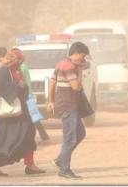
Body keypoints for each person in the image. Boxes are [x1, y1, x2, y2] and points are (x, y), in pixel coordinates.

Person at [0, 50, 42, 177]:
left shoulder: (16, 71)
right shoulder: (3, 71)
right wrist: (17, 84)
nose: (21, 62)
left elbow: (23, 88)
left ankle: (30, 164)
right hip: (8, 115)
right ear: (14, 60)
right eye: (20, 60)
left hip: (20, 112)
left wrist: (22, 86)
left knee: (29, 134)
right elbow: (2, 88)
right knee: (5, 140)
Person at [47, 42, 90, 179]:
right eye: (82, 56)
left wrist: (51, 101)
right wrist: (80, 71)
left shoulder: (61, 64)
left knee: (80, 133)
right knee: (70, 139)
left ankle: (61, 159)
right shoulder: (70, 67)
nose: (83, 59)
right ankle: (64, 169)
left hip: (67, 105)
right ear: (76, 53)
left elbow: (52, 83)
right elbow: (76, 86)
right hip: (68, 105)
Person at [13, 48, 50, 142]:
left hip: (26, 95)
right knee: (33, 117)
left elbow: (21, 81)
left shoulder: (21, 67)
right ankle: (43, 136)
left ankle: (44, 137)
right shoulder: (23, 66)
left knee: (34, 118)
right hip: (28, 94)